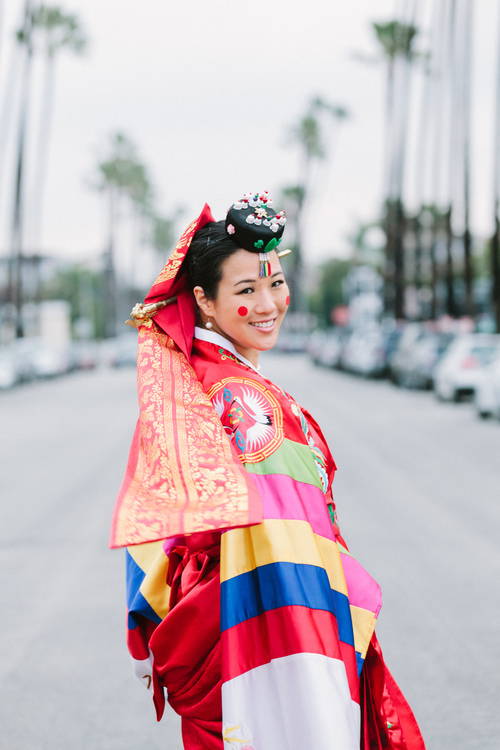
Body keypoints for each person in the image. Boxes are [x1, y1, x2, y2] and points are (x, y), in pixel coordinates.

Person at [110, 193, 426, 750]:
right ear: (204, 301)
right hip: (260, 635)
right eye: (246, 290)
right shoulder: (238, 397)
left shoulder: (191, 378)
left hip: (225, 625)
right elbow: (282, 548)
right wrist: (318, 646)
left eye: (275, 282)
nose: (269, 303)